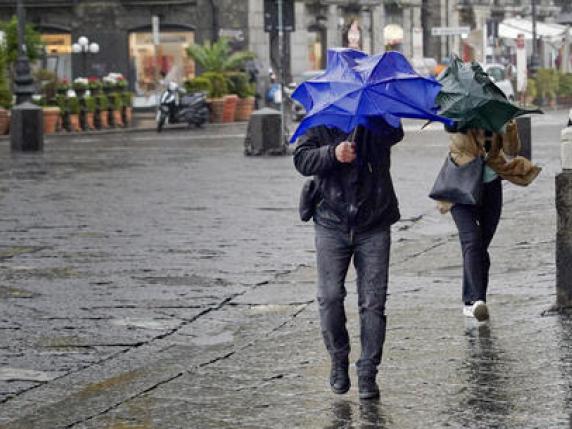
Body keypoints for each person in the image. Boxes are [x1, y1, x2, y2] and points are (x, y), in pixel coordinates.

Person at [293, 121, 403, 400]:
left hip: (374, 222)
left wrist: (377, 117)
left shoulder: (377, 118)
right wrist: (333, 153)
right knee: (329, 297)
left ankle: (368, 371)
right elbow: (302, 159)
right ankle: (338, 358)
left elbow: (395, 133)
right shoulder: (322, 118)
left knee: (373, 303)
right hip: (330, 222)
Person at [436, 121, 541, 321]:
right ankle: (473, 301)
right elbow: (453, 131)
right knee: (472, 241)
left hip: (490, 188)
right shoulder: (459, 115)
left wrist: (509, 127)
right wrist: (467, 123)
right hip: (461, 186)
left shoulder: (495, 117)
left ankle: (476, 301)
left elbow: (512, 150)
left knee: (480, 246)